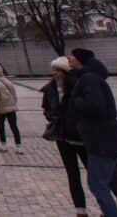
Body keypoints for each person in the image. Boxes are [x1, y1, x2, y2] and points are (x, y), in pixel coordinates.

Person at [69, 48, 117, 217]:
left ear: (80, 60)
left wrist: (76, 100)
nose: (68, 58)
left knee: (97, 185)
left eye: (71, 55)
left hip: (100, 140)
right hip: (109, 138)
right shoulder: (91, 77)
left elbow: (95, 107)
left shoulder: (88, 79)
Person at [43, 56, 90, 217]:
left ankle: (104, 204)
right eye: (54, 71)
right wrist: (53, 118)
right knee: (72, 173)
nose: (55, 74)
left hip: (80, 136)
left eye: (58, 71)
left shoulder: (78, 86)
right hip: (62, 136)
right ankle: (80, 210)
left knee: (94, 173)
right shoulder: (50, 88)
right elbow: (46, 108)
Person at [0, 64, 23, 154]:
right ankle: (19, 146)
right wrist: (14, 104)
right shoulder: (7, 81)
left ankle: (3, 145)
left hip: (1, 109)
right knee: (14, 127)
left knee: (1, 126)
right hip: (11, 108)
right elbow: (14, 95)